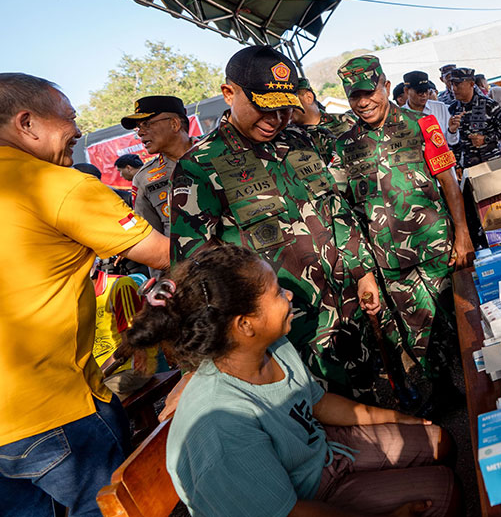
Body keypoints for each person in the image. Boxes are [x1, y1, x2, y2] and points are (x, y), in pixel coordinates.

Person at [117, 242, 458, 517]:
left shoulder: (271, 345)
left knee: (441, 441)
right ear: (245, 324)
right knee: (443, 492)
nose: (290, 296)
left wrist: (401, 419)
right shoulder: (222, 423)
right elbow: (290, 511)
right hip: (300, 498)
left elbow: (317, 402)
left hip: (319, 455)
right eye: (278, 293)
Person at [0, 73, 170, 517]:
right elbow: (165, 254)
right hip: (56, 415)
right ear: (27, 123)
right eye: (70, 117)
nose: (77, 130)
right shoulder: (56, 185)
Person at [171, 46, 382, 401]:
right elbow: (194, 270)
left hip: (346, 315)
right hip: (283, 339)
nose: (276, 118)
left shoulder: (298, 141)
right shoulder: (200, 167)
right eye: (264, 107)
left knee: (365, 411)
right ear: (229, 93)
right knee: (313, 433)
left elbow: (335, 210)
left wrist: (363, 272)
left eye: (284, 108)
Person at [324, 57, 473, 405]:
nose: (363, 103)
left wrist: (463, 234)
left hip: (437, 246)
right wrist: (363, 269)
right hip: (389, 259)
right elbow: (345, 211)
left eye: (369, 92)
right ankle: (443, 392)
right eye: (354, 96)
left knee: (460, 321)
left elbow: (448, 181)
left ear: (386, 88)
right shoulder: (345, 147)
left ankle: (482, 383)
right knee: (416, 333)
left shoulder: (423, 125)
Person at [121, 95, 194, 237]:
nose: (141, 133)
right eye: (138, 128)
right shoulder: (144, 179)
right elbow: (152, 237)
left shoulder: (218, 150)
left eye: (147, 124)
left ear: (174, 124)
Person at [446, 67, 501, 169]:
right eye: (452, 84)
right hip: (470, 167)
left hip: (494, 163)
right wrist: (457, 166)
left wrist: (485, 139)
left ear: (472, 84)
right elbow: (453, 143)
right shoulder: (452, 110)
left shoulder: (488, 105)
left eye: (457, 84)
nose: (453, 89)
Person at [403, 71, 458, 147]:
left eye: (426, 90)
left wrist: (452, 131)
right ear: (406, 90)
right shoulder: (400, 115)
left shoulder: (441, 108)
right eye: (419, 92)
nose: (424, 95)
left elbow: (452, 142)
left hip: (441, 157)